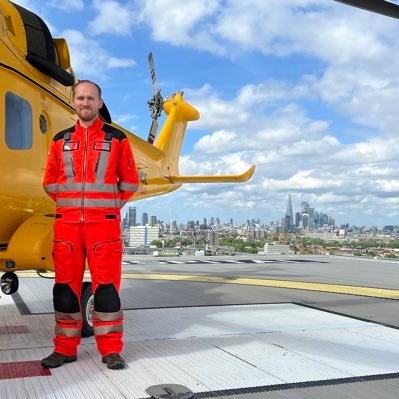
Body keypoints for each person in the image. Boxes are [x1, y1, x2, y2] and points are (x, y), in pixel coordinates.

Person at [41, 80, 139, 370]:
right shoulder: (60, 141)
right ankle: (64, 349)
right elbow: (49, 183)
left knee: (107, 291)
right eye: (80, 98)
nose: (85, 103)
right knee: (65, 290)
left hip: (103, 229)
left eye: (90, 98)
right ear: (74, 102)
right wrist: (72, 207)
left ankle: (110, 351)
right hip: (67, 227)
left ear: (100, 103)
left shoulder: (117, 139)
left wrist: (107, 208)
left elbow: (130, 182)